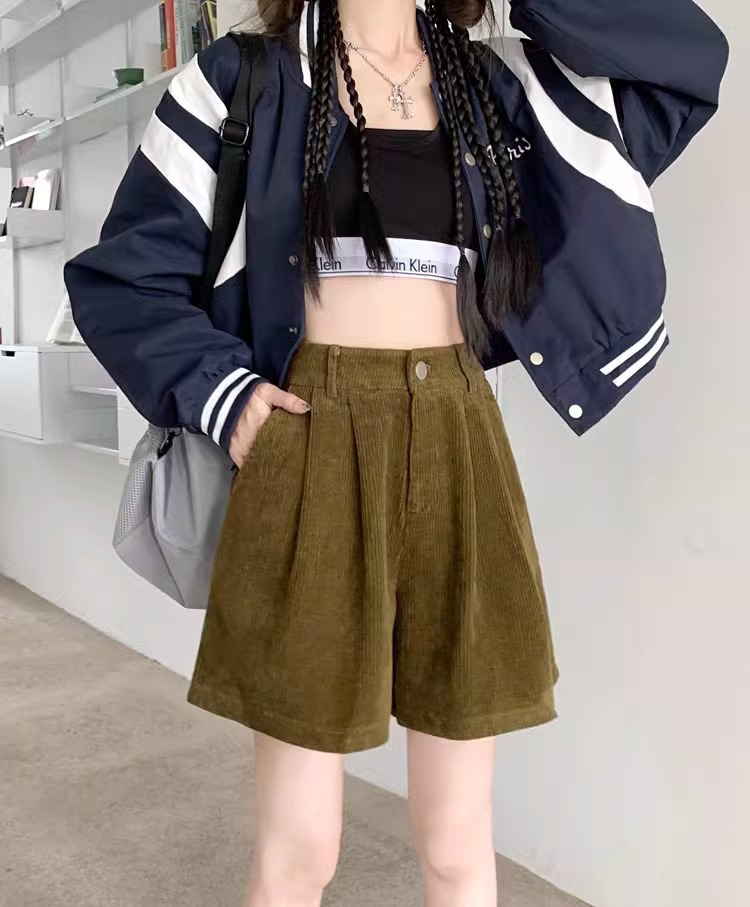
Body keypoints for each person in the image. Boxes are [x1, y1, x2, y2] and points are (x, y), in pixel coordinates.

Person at [64, 0, 728, 904]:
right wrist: (229, 399)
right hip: (310, 437)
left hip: (458, 437)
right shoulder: (243, 78)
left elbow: (684, 59)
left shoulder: (496, 85)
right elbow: (122, 278)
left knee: (457, 843)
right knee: (302, 847)